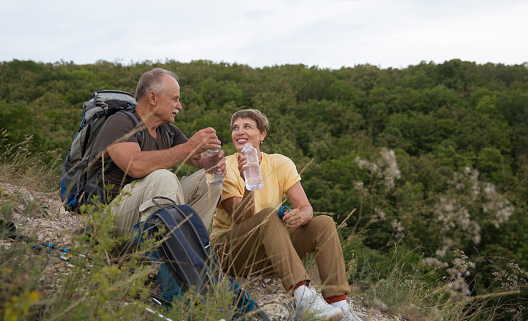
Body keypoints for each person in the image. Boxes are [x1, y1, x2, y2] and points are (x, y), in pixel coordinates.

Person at [211, 109, 361, 321]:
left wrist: (302, 216)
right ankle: (303, 300)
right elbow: (242, 218)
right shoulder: (224, 167)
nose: (239, 132)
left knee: (324, 223)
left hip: (269, 249)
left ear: (262, 134)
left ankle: (339, 305)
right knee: (269, 216)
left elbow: (306, 207)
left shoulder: (280, 163)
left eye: (247, 126)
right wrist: (248, 183)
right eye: (235, 127)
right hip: (232, 253)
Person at [87, 68, 225, 237]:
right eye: (175, 99)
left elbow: (196, 158)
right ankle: (153, 252)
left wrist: (212, 161)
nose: (179, 106)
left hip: (144, 209)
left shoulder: (168, 131)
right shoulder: (120, 122)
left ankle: (189, 249)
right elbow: (135, 165)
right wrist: (189, 147)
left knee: (210, 180)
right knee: (163, 177)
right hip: (109, 218)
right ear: (152, 97)